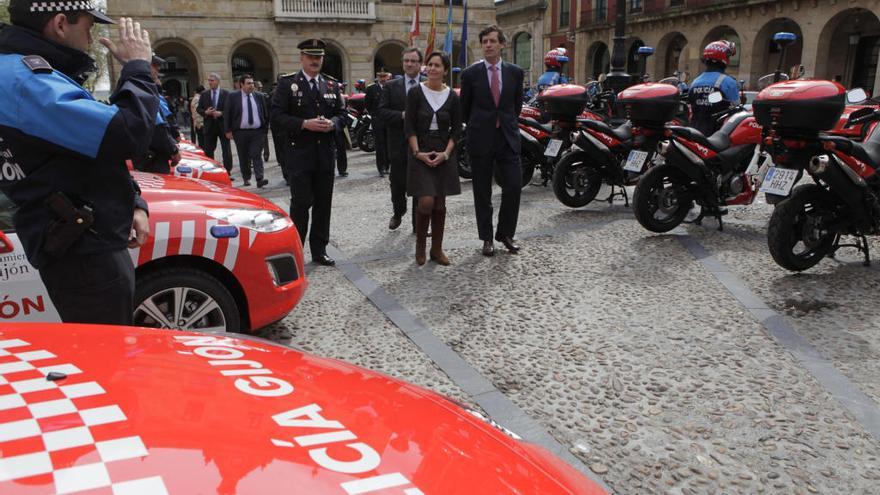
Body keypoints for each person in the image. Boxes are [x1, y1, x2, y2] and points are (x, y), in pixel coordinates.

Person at [0, 4, 158, 325]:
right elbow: (127, 132)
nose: (91, 39)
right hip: (82, 250)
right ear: (60, 23)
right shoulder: (26, 80)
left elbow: (87, 149)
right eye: (88, 28)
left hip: (84, 240)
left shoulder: (30, 74)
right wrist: (138, 67)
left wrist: (134, 200)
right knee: (109, 359)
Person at [271, 39, 346, 267]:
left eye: (319, 57)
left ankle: (319, 250)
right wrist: (304, 124)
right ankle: (296, 250)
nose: (315, 61)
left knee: (324, 204)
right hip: (300, 155)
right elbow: (276, 117)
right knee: (301, 204)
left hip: (325, 155)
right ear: (302, 57)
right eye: (311, 56)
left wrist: (333, 123)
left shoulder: (331, 85)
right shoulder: (287, 84)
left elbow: (343, 114)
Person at [460, 25, 525, 257]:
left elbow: (515, 107)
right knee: (482, 191)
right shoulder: (470, 74)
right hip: (480, 138)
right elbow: (465, 109)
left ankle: (505, 233)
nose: (488, 45)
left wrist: (504, 124)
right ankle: (487, 238)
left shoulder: (515, 72)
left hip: (507, 138)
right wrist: (481, 125)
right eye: (484, 41)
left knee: (514, 187)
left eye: (492, 41)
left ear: (501, 45)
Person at [405, 52, 462, 266]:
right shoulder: (415, 93)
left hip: (443, 152)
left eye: (437, 65)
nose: (432, 68)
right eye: (430, 64)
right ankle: (421, 245)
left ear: (445, 70)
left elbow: (456, 130)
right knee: (426, 200)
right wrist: (417, 152)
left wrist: (446, 154)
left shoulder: (453, 96)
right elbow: (408, 126)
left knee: (439, 202)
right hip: (420, 150)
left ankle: (436, 249)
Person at [378, 46, 424, 232]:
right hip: (397, 144)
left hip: (422, 144)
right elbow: (381, 112)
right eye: (406, 61)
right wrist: (402, 115)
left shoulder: (428, 85)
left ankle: (418, 224)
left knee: (420, 184)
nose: (409, 64)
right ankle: (398, 211)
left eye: (413, 61)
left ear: (420, 64)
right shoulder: (390, 86)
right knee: (397, 184)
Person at [132, 53, 180, 175]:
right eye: (154, 65)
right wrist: (173, 150)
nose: (157, 69)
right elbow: (158, 127)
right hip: (152, 157)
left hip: (148, 154)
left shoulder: (137, 88)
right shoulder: (143, 91)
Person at [224, 74, 269, 187]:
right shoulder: (233, 96)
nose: (251, 86)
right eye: (248, 83)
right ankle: (246, 177)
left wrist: (265, 128)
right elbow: (227, 114)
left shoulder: (259, 96)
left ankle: (259, 178)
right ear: (241, 85)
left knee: (256, 154)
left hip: (257, 132)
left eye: (252, 83)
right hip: (240, 132)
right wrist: (228, 130)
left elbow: (265, 112)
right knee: (243, 156)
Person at [688, 40, 739, 136]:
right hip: (717, 136)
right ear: (724, 58)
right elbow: (737, 109)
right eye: (728, 56)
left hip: (694, 133)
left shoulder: (695, 82)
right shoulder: (728, 82)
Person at [197, 73, 234, 176]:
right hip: (209, 126)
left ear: (218, 81)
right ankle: (211, 171)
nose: (210, 82)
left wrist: (221, 113)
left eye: (212, 80)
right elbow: (198, 108)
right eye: (209, 80)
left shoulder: (226, 94)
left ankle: (227, 171)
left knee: (226, 150)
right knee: (208, 149)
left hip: (223, 126)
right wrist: (205, 112)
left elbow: (230, 109)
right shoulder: (205, 94)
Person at [365, 69, 391, 176]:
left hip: (389, 120)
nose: (383, 79)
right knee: (380, 144)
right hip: (377, 119)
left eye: (385, 77)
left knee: (389, 143)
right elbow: (367, 104)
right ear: (378, 77)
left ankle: (388, 165)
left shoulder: (391, 87)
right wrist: (374, 115)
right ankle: (382, 168)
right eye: (381, 77)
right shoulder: (371, 88)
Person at [255, 80, 271, 162]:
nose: (260, 89)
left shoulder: (264, 96)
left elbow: (267, 109)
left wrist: (267, 121)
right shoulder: (251, 96)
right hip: (254, 122)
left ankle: (266, 154)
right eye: (258, 87)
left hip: (263, 121)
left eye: (261, 87)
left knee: (265, 139)